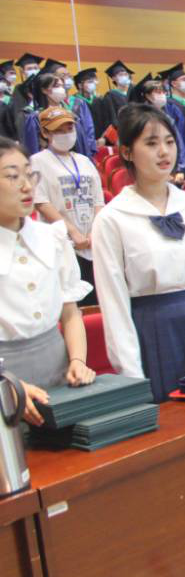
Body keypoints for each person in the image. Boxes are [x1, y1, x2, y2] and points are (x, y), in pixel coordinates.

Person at [91, 105, 185, 401]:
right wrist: (130, 376)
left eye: (169, 142)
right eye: (151, 143)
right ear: (127, 152)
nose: (164, 152)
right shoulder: (112, 219)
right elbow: (114, 304)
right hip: (153, 331)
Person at [0, 136, 95, 424]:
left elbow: (71, 313)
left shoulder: (52, 237)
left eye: (30, 175)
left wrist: (77, 361)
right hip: (7, 379)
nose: (27, 186)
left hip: (58, 370)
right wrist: (8, 385)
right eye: (12, 177)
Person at [30, 106, 105, 304]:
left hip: (92, 243)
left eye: (69, 128)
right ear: (45, 133)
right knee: (73, 302)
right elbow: (42, 202)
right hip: (63, 244)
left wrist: (94, 231)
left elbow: (98, 200)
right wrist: (72, 232)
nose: (66, 134)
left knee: (98, 301)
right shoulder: (38, 161)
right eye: (58, 130)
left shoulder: (84, 161)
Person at [94, 60, 134, 139]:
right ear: (113, 78)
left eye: (125, 74)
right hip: (121, 133)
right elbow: (112, 118)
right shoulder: (110, 95)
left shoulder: (133, 92)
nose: (124, 76)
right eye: (120, 74)